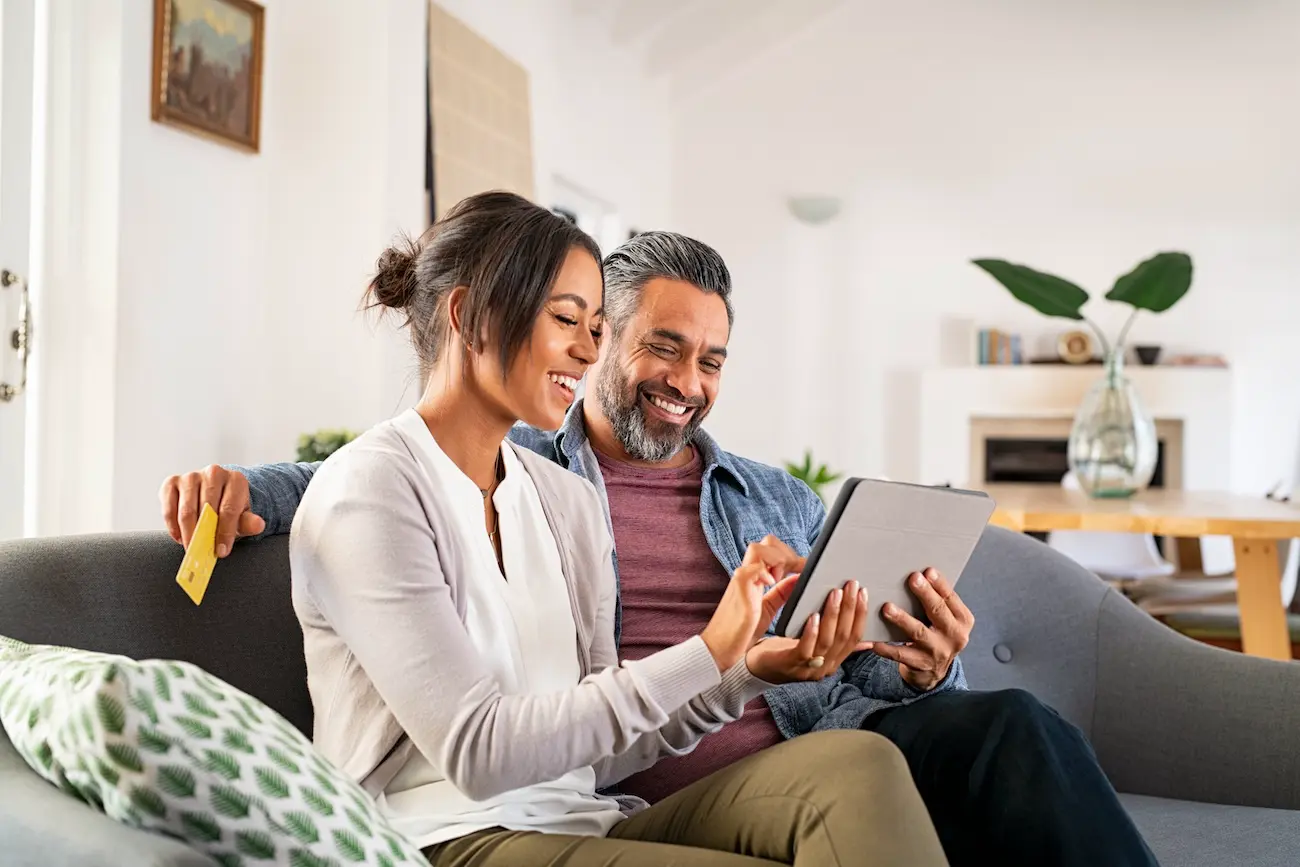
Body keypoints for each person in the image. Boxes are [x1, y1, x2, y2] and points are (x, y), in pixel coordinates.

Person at [162, 227, 1158, 867]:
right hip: (553, 799)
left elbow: (826, 670)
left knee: (999, 729)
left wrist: (909, 669)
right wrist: (244, 489)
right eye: (656, 344)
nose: (686, 378)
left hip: (776, 746)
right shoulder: (477, 471)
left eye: (711, 359)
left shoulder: (725, 497)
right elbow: (381, 480)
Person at [277, 190, 948, 866]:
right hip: (442, 837)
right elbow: (476, 752)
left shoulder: (565, 501)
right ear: (468, 315)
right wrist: (709, 649)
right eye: (567, 318)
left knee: (859, 763)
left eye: (597, 325)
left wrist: (746, 670)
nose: (588, 348)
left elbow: (606, 745)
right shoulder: (369, 492)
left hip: (585, 817)